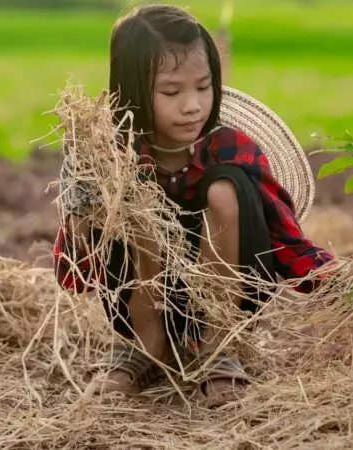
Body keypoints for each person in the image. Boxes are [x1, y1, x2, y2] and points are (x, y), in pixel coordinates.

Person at [52, 4, 334, 406]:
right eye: (172, 91)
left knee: (227, 187)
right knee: (130, 193)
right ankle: (146, 344)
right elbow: (76, 262)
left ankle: (216, 347)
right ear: (132, 91)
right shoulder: (109, 156)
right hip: (136, 299)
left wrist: (334, 281)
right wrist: (83, 200)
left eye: (203, 88)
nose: (192, 105)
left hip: (229, 291)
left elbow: (282, 234)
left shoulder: (232, 148)